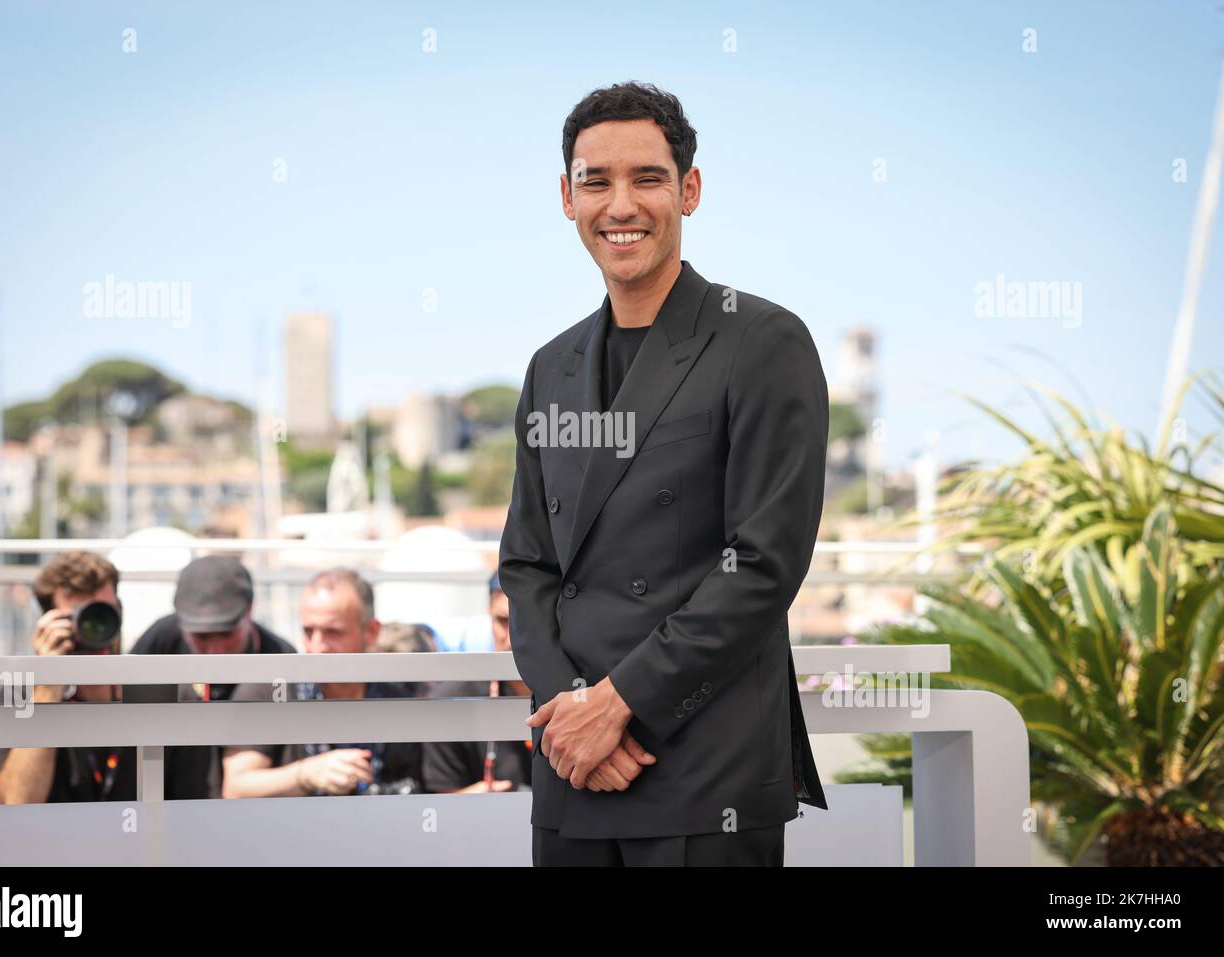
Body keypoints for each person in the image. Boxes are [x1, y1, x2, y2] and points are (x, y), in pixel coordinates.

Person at [499, 82, 829, 866]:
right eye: (596, 181)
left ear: (689, 189)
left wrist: (620, 705)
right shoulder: (551, 366)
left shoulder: (762, 340)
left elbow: (762, 564)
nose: (622, 204)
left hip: (702, 765)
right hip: (574, 767)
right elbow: (527, 562)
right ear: (566, 198)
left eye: (647, 178)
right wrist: (566, 712)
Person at [222, 569, 425, 798]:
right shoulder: (270, 689)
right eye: (308, 631)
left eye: (333, 632)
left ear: (371, 632)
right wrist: (305, 775)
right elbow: (236, 788)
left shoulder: (396, 701)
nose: (317, 646)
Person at [133, 555, 294, 799]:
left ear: (250, 611)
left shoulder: (280, 657)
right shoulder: (162, 640)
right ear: (181, 623)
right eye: (201, 636)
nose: (214, 650)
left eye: (226, 633)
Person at [0, 551, 138, 804]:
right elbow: (18, 802)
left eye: (104, 613)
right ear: (49, 622)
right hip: (50, 841)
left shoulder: (155, 691)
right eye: (78, 618)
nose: (94, 628)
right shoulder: (14, 694)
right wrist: (48, 685)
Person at [423, 573, 534, 794]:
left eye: (528, 621)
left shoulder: (580, 690)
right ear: (489, 617)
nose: (513, 638)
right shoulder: (452, 701)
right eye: (503, 621)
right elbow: (437, 807)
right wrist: (477, 803)